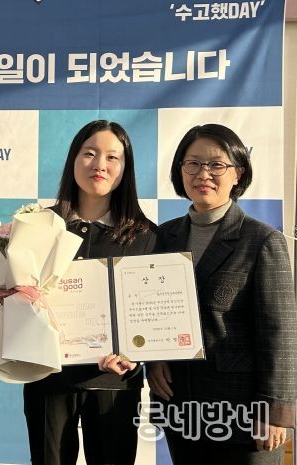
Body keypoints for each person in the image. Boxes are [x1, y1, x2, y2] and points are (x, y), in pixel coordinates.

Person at [146, 123, 297, 465]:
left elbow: (281, 333)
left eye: (216, 164)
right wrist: (153, 361)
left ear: (237, 173)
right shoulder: (163, 238)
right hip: (181, 406)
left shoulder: (261, 240)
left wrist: (275, 410)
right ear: (180, 170)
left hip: (245, 414)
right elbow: (150, 313)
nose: (204, 174)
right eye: (193, 163)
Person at [23, 120, 158, 465]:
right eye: (89, 153)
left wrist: (136, 352)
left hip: (114, 383)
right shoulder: (38, 226)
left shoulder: (146, 237)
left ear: (125, 169)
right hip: (49, 378)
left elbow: (154, 316)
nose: (100, 165)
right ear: (73, 159)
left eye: (113, 157)